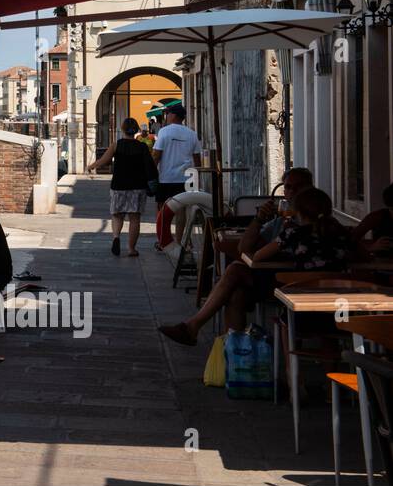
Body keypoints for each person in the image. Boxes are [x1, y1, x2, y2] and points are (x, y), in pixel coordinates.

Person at [159, 187, 353, 346]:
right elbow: (361, 254)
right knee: (237, 293)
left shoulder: (292, 233)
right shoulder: (342, 233)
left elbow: (256, 257)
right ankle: (227, 350)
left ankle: (199, 330)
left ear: (299, 212)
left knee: (235, 271)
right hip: (339, 307)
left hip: (295, 299)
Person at [87, 117, 155, 256]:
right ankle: (131, 249)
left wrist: (91, 166)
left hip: (119, 185)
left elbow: (104, 161)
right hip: (138, 186)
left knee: (117, 215)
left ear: (123, 129)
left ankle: (116, 237)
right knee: (134, 218)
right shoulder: (142, 147)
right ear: (136, 130)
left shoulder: (116, 145)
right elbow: (150, 166)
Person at [152, 104, 202, 243]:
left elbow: (156, 155)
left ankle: (163, 240)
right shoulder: (191, 133)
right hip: (186, 178)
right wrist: (198, 177)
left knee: (163, 210)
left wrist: (150, 172)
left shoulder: (164, 132)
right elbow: (197, 158)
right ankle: (179, 241)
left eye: (167, 114)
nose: (166, 117)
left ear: (173, 115)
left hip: (166, 178)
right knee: (181, 210)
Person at [237, 167, 314, 257]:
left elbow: (257, 256)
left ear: (310, 189)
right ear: (284, 192)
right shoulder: (279, 223)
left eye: (299, 186)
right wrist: (259, 219)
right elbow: (243, 249)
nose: (292, 191)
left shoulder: (322, 224)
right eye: (288, 187)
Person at [354, 182, 393, 257]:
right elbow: (350, 241)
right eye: (392, 209)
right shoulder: (377, 217)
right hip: (381, 265)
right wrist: (371, 247)